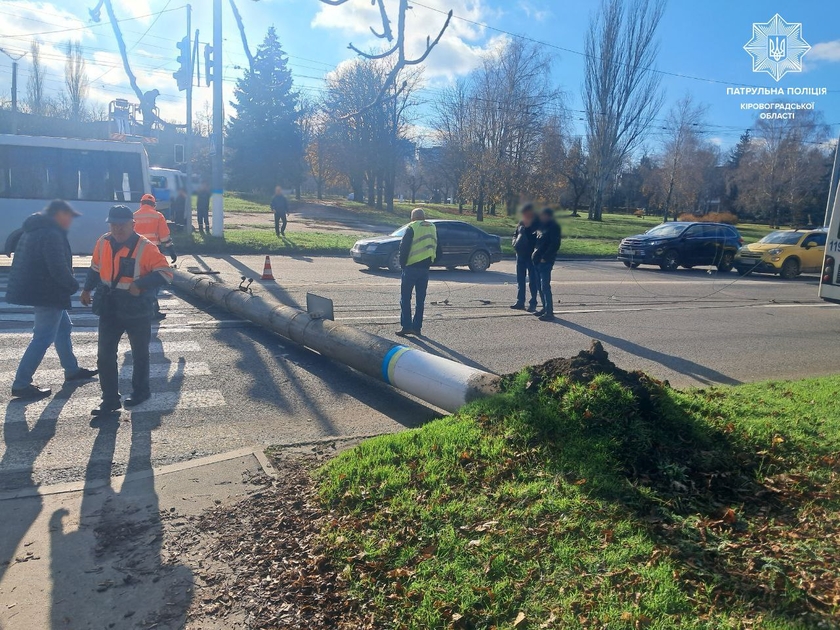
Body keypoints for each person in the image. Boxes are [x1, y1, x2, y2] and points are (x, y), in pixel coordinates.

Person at [80, 205, 174, 416]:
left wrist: (140, 284)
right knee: (105, 355)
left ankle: (141, 392)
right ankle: (109, 399)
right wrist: (86, 289)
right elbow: (95, 268)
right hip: (110, 306)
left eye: (122, 224)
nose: (117, 229)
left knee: (139, 354)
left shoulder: (146, 247)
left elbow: (166, 273)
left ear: (133, 224)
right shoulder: (103, 242)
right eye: (113, 224)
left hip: (136, 308)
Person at [6, 200, 98, 399]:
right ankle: (21, 383)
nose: (70, 221)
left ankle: (71, 370)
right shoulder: (51, 233)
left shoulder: (35, 229)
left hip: (40, 288)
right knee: (43, 337)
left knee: (63, 328)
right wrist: (73, 285)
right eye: (68, 216)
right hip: (48, 292)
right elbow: (57, 267)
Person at [397, 208, 439, 337]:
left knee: (405, 298)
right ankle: (417, 328)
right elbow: (438, 247)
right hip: (425, 269)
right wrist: (431, 262)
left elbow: (404, 247)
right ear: (423, 217)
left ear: (413, 218)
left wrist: (402, 264)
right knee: (420, 300)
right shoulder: (432, 227)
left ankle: (406, 326)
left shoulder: (412, 227)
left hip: (411, 267)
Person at [134, 194, 177, 320]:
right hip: (153, 252)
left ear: (141, 203)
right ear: (154, 205)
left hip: (136, 252)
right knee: (154, 281)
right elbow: (164, 237)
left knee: (138, 279)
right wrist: (171, 251)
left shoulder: (134, 216)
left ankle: (142, 307)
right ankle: (152, 309)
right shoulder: (158, 216)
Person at [532, 208, 562, 322]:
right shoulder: (541, 226)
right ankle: (544, 307)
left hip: (545, 261)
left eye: (543, 215)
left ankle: (549, 312)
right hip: (537, 260)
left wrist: (545, 257)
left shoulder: (554, 227)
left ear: (548, 216)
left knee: (545, 286)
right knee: (539, 286)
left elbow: (555, 245)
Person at [510, 203, 540, 313]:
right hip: (520, 255)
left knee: (533, 281)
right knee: (520, 280)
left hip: (531, 257)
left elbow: (538, 240)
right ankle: (520, 301)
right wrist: (514, 242)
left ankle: (533, 303)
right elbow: (515, 234)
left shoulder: (536, 224)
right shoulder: (521, 223)